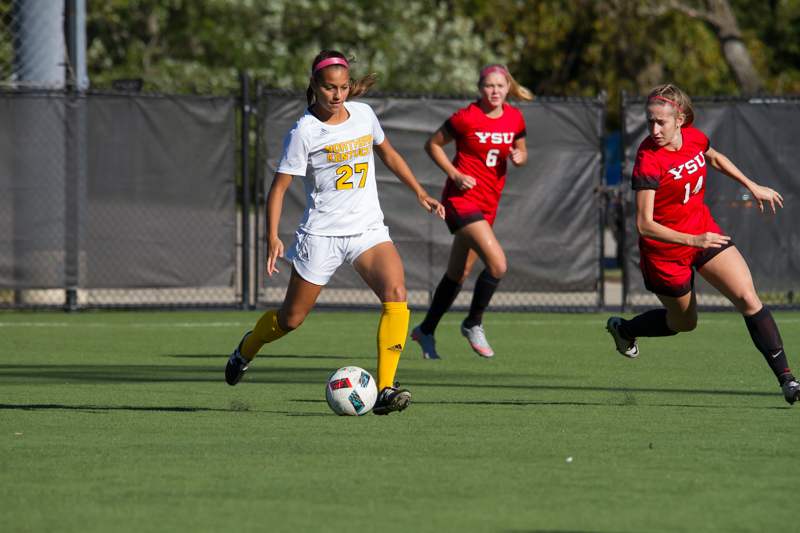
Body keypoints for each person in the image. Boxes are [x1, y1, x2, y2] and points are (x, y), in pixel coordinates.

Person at [225, 50, 446, 415]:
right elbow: (278, 189)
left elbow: (387, 153)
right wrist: (272, 236)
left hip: (367, 229)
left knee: (397, 294)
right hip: (322, 236)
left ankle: (386, 389)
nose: (338, 95)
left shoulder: (364, 115)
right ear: (315, 86)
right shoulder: (304, 131)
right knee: (290, 320)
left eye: (343, 87)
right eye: (329, 88)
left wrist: (419, 191)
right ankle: (247, 349)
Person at [606, 84, 799, 405]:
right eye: (649, 121)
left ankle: (788, 380)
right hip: (664, 253)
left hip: (702, 231)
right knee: (685, 322)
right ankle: (625, 331)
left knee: (748, 297)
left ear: (679, 120)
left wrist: (752, 186)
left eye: (661, 122)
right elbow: (644, 225)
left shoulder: (693, 137)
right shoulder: (648, 160)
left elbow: (714, 157)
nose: (654, 129)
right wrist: (693, 240)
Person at [410, 64, 532, 360]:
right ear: (480, 88)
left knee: (458, 273)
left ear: (507, 88)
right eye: (489, 86)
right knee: (498, 265)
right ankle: (472, 323)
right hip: (461, 200)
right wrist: (454, 174)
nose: (495, 91)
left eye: (500, 86)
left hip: (489, 204)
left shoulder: (514, 118)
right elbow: (433, 145)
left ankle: (425, 330)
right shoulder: (466, 117)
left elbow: (522, 151)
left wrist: (520, 156)